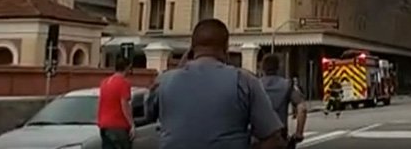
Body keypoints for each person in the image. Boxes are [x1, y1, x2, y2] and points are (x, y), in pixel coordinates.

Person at [156, 19, 285, 149]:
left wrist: (185, 61)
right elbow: (273, 139)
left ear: (191, 49)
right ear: (226, 48)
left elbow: (148, 114)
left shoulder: (164, 82)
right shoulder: (244, 81)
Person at [259, 54, 308, 148]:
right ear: (278, 67)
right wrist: (299, 133)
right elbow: (302, 108)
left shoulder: (254, 85)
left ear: (263, 68)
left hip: (258, 138)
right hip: (279, 138)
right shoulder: (287, 85)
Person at [97, 56, 134, 149]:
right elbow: (124, 105)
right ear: (127, 68)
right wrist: (132, 124)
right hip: (118, 126)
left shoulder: (104, 82)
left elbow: (101, 102)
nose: (130, 71)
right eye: (130, 68)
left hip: (104, 126)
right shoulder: (124, 83)